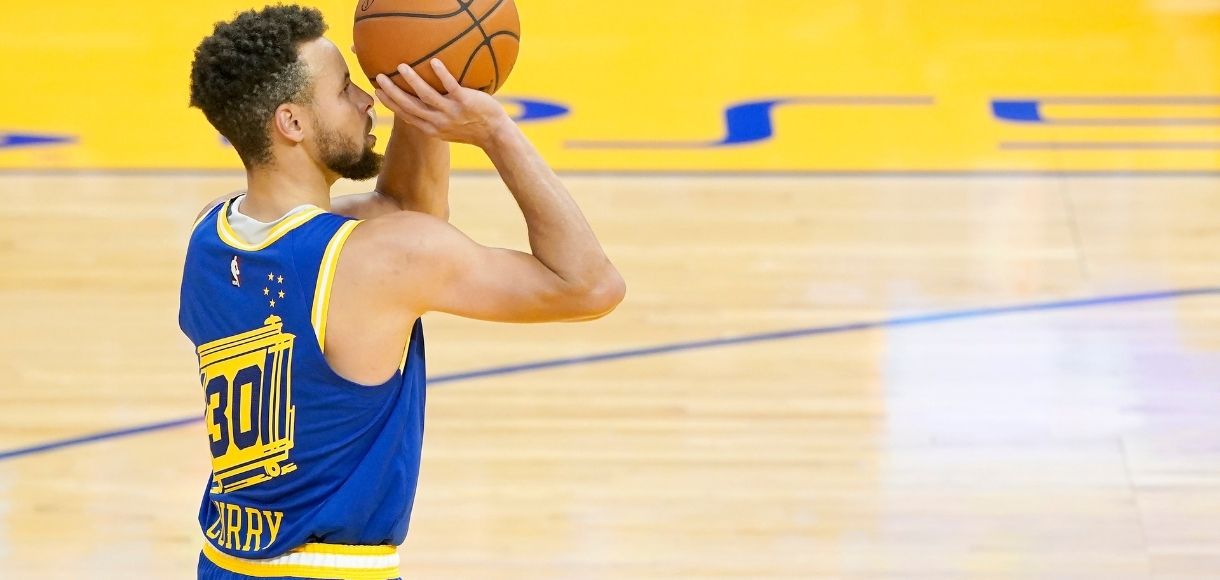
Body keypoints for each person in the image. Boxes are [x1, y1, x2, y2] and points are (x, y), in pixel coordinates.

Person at [179, 5, 625, 579]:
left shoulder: (211, 235)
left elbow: (403, 216)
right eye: (345, 90)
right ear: (291, 123)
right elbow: (589, 287)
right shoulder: (383, 257)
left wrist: (420, 92)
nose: (369, 100)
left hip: (224, 561)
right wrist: (495, 131)